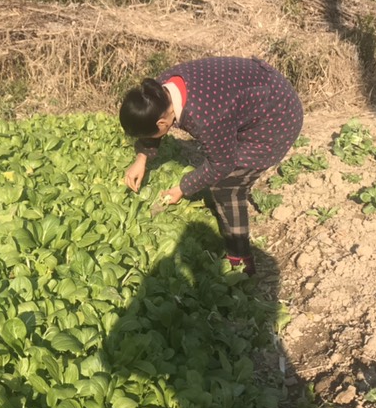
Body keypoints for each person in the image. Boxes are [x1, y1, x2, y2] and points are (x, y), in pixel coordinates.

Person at [119, 56, 303, 275]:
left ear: (162, 123)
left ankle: (241, 261)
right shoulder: (157, 91)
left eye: (151, 132)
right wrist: (141, 158)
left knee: (227, 186)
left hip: (278, 115)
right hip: (259, 87)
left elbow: (222, 165)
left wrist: (182, 188)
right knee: (222, 159)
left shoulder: (204, 118)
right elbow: (154, 123)